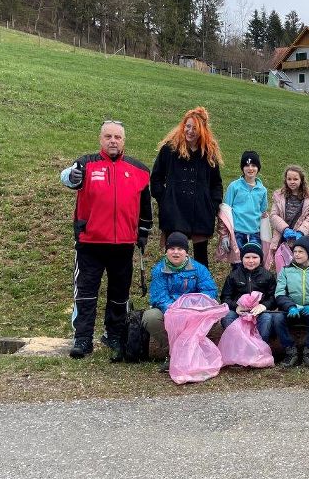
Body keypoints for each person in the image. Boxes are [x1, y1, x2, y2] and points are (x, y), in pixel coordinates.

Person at [59, 119, 152, 360]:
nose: (113, 141)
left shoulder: (139, 170)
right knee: (86, 293)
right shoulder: (85, 164)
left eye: (117, 137)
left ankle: (114, 335)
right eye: (108, 137)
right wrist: (71, 175)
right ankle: (82, 338)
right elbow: (68, 178)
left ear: (124, 141)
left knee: (119, 295)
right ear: (101, 139)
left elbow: (145, 207)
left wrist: (142, 233)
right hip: (90, 243)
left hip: (123, 244)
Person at [150, 106, 223, 267]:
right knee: (174, 256)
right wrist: (164, 199)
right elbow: (156, 178)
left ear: (202, 130)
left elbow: (216, 183)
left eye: (194, 128)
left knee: (201, 259)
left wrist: (213, 205)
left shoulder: (208, 153)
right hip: (174, 211)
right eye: (187, 126)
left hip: (201, 213)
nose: (189, 131)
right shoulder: (170, 149)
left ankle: (200, 291)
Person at [145, 232, 219, 370]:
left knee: (214, 316)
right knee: (150, 317)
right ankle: (172, 352)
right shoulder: (159, 270)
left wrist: (192, 307)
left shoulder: (199, 269)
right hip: (170, 311)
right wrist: (175, 311)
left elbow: (210, 291)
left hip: (194, 311)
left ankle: (192, 351)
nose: (176, 252)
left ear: (186, 252)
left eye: (180, 249)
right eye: (172, 249)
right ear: (166, 251)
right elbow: (159, 296)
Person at [274, 236, 309, 369]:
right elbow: (279, 293)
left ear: (308, 254)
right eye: (295, 251)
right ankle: (290, 351)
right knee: (277, 318)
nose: (296, 254)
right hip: (291, 311)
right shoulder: (285, 271)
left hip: (308, 311)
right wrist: (290, 306)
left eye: (301, 251)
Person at [220, 242, 279, 349]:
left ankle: (260, 348)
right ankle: (238, 347)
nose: (251, 261)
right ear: (242, 259)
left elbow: (273, 297)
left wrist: (264, 306)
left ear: (260, 259)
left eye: (255, 257)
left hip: (259, 312)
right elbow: (225, 297)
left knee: (267, 319)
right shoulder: (233, 276)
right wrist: (236, 306)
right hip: (239, 312)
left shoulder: (268, 276)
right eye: (247, 257)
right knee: (227, 317)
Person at [222, 150, 269, 264]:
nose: (250, 168)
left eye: (253, 165)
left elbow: (263, 213)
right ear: (242, 168)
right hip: (237, 233)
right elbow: (225, 212)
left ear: (258, 168)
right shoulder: (234, 186)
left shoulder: (262, 190)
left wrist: (266, 238)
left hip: (254, 233)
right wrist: (224, 235)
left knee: (253, 263)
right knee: (238, 264)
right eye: (247, 165)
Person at [268, 164, 309, 268]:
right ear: (285, 180)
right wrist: (285, 229)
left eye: (295, 179)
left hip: (300, 238)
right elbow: (273, 215)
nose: (292, 182)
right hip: (282, 236)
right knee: (282, 265)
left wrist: (301, 232)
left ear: (301, 180)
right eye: (289, 179)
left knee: (301, 264)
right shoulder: (279, 195)